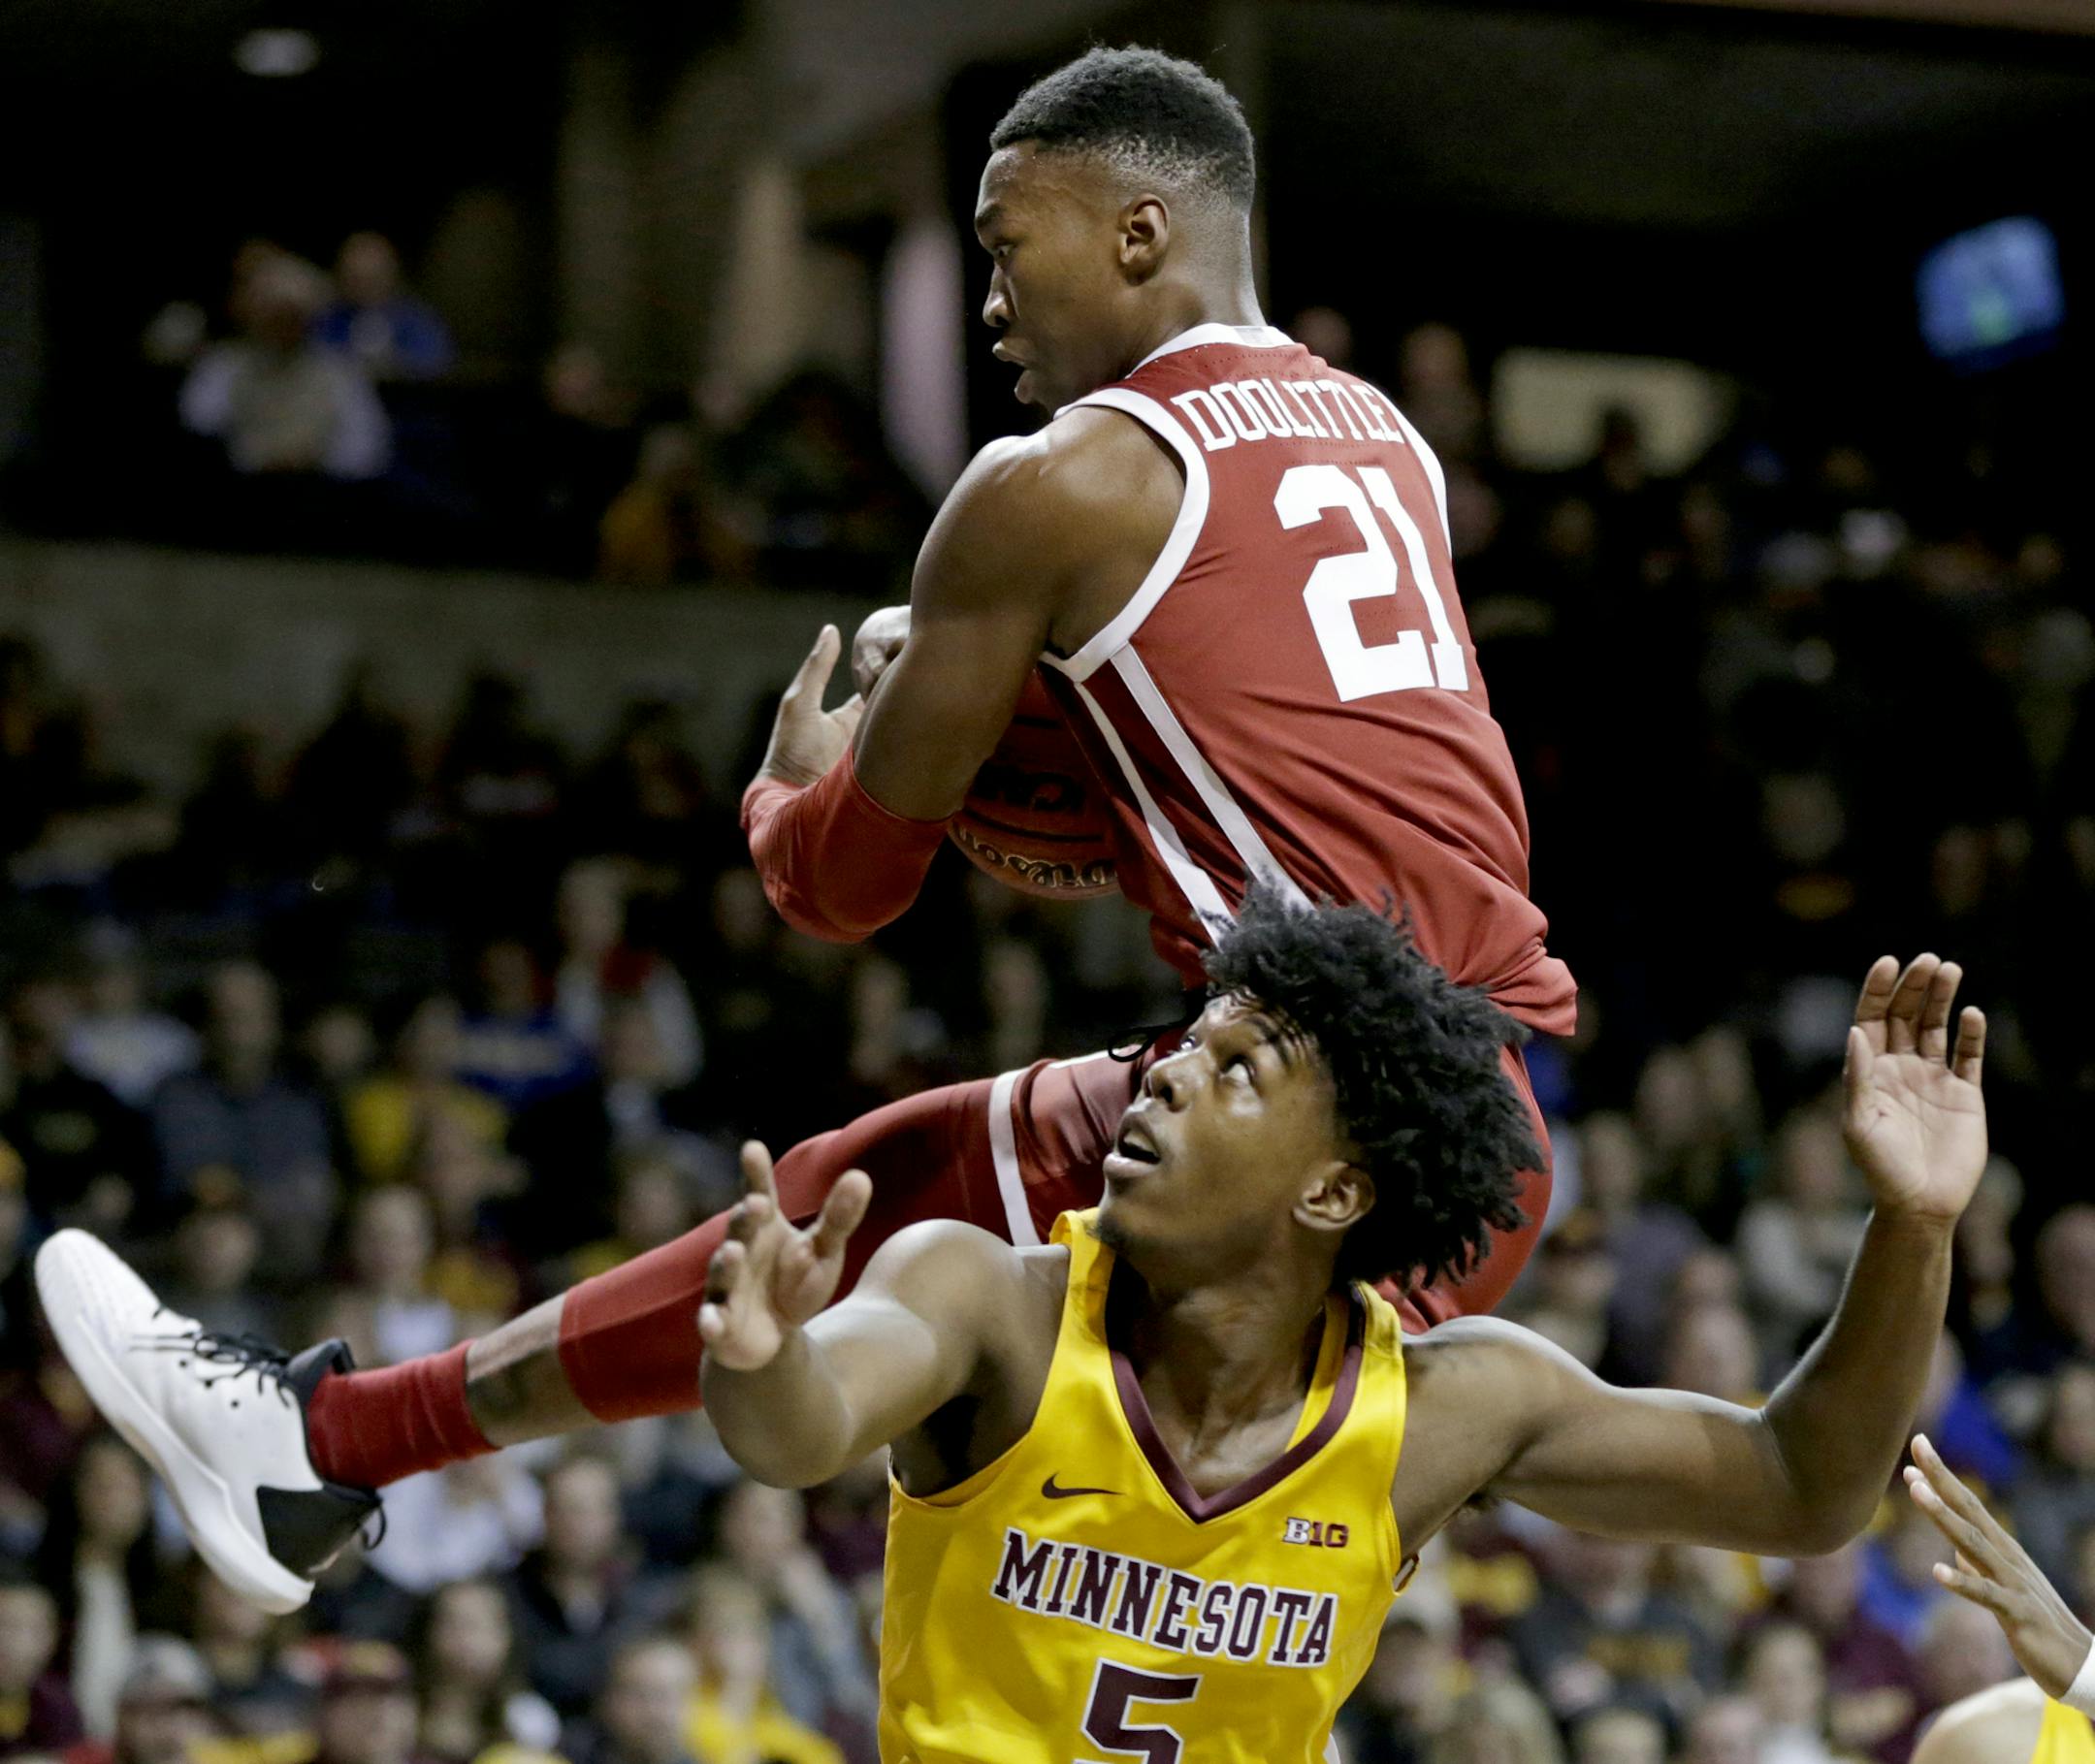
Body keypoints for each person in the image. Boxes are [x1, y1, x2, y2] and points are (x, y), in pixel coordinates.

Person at [194, 42, 1575, 1540]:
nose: (986, 301)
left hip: (1337, 1133)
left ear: (1137, 232)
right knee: (866, 1189)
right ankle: (333, 1443)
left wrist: (796, 788)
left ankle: (327, 1451)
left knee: (999, 1479)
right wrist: (1053, 742)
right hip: (1455, 1106)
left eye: (1003, 245)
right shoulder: (1390, 441)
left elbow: (840, 891)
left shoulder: (1060, 482)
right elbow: (1286, 778)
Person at [693, 903, 1979, 1760]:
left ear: (1331, 1190)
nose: (1165, 1072)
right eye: (1185, 1043)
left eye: (1237, 1065)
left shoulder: (1442, 1409)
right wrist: (760, 1355)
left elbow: (1806, 1485)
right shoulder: (987, 1299)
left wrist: (1915, 1225)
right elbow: (798, 1430)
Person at [1903, 1433, 2095, 1763]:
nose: (1975, 1664)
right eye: (1962, 1648)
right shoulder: (1960, 1731)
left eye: (1984, 1648)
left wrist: (2088, 1674)